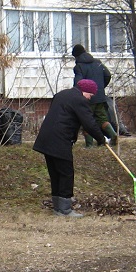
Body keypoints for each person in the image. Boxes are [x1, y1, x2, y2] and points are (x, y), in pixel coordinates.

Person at [33, 78, 106, 217]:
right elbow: (89, 123)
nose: (90, 99)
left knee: (55, 173)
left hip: (46, 138)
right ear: (86, 91)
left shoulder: (62, 94)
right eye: (91, 95)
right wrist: (101, 139)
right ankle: (65, 209)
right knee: (66, 172)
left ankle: (58, 207)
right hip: (59, 139)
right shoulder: (79, 100)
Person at [71, 44, 117, 147]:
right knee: (102, 119)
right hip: (100, 97)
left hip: (87, 99)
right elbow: (108, 75)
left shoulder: (79, 67)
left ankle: (89, 145)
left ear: (76, 56)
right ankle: (113, 135)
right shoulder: (98, 62)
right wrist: (100, 88)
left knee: (86, 121)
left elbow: (78, 82)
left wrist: (78, 93)